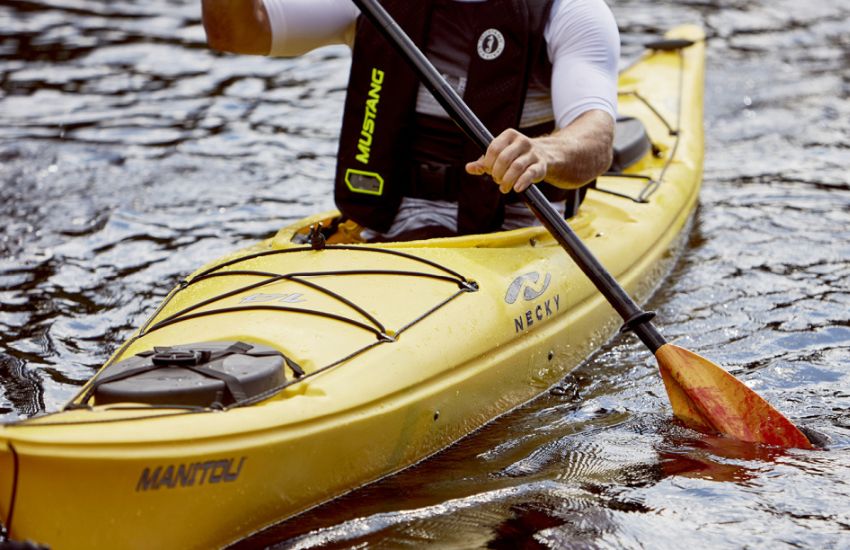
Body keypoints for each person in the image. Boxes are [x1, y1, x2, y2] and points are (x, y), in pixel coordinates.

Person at [201, 0, 619, 240]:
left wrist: (544, 151)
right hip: (383, 226)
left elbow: (596, 138)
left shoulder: (570, 12)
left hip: (510, 232)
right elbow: (238, 34)